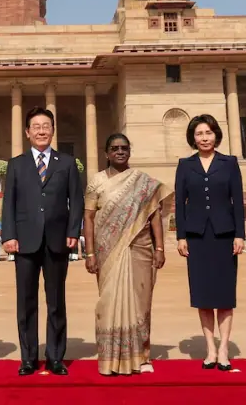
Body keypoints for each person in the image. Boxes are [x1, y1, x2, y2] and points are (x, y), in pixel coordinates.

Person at [1, 107, 84, 376]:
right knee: (26, 302)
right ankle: (28, 358)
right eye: (35, 126)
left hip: (58, 240)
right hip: (25, 241)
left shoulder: (67, 163)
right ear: (27, 132)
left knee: (56, 301)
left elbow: (77, 201)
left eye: (46, 125)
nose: (41, 130)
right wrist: (9, 235)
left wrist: (74, 230)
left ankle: (55, 357)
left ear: (53, 130)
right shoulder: (17, 164)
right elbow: (9, 204)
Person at [84, 133, 171, 375]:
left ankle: (142, 357)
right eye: (115, 148)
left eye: (124, 148)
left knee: (141, 303)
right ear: (106, 153)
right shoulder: (96, 182)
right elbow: (88, 217)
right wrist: (89, 253)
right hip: (107, 251)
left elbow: (154, 216)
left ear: (129, 151)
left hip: (141, 249)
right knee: (109, 302)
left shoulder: (143, 182)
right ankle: (111, 359)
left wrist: (160, 248)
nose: (120, 152)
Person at [175, 114, 244, 372]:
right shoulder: (185, 164)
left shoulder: (229, 163)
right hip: (196, 237)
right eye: (199, 134)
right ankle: (210, 349)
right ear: (193, 138)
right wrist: (181, 236)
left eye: (208, 133)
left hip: (225, 235)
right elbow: (180, 203)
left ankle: (224, 349)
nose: (204, 138)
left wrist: (240, 234)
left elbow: (237, 199)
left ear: (216, 135)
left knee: (224, 296)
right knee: (203, 297)